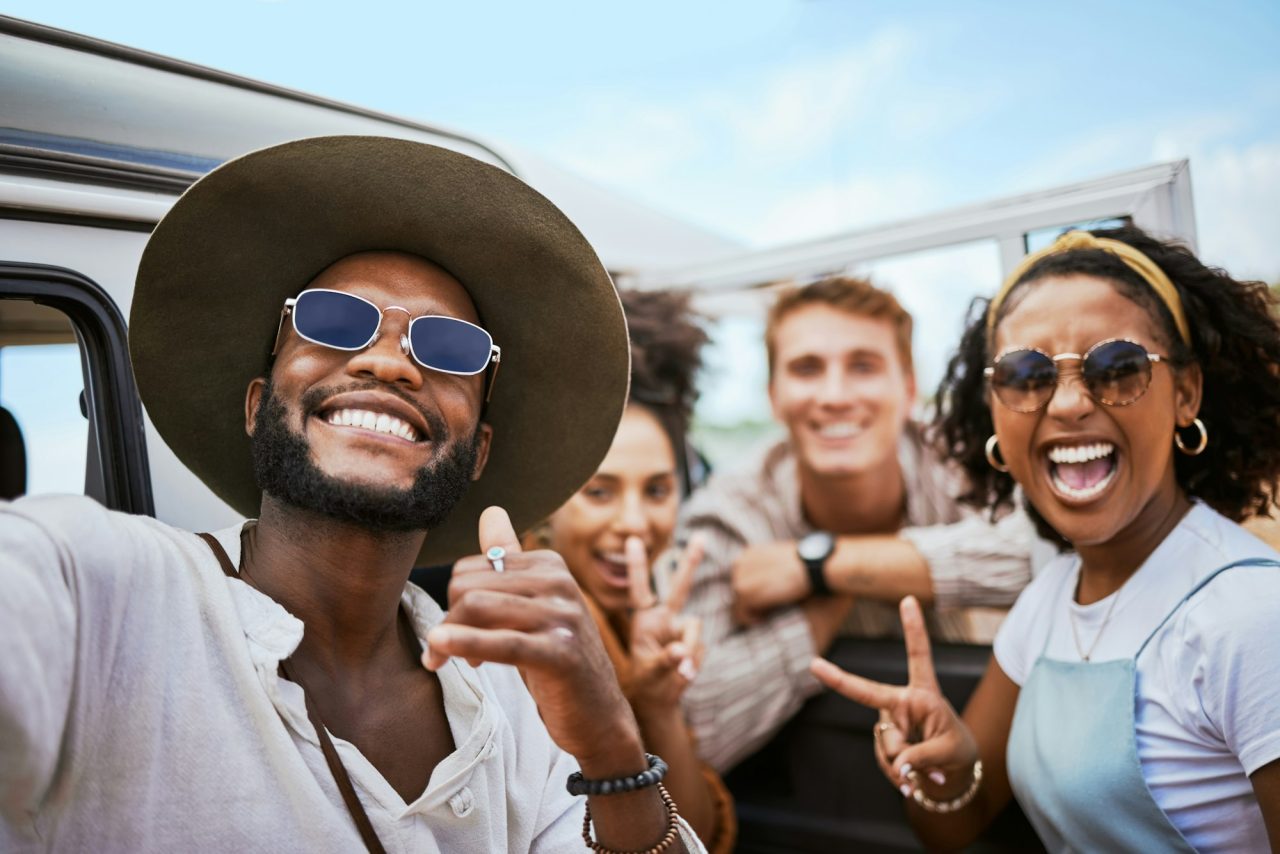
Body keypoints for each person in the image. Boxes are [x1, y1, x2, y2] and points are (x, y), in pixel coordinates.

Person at [0, 137, 703, 853]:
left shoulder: (510, 696)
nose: (388, 361)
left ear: (478, 449)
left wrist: (612, 744)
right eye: (334, 321)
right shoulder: (103, 595)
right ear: (256, 405)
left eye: (450, 347)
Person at [812, 226, 1280, 851]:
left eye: (1118, 367)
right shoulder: (1051, 597)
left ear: (1186, 393)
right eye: (1026, 374)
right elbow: (956, 824)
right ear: (994, 415)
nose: (1066, 402)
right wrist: (942, 766)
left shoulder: (1251, 617)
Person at [678, 275, 1039, 771]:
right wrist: (826, 608)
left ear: (909, 388)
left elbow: (1052, 552)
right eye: (807, 369)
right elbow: (696, 728)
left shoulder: (969, 460)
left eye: (863, 366)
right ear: (773, 395)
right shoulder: (729, 513)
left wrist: (819, 568)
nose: (834, 395)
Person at [528, 290, 735, 852]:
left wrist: (658, 702)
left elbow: (695, 836)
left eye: (658, 490)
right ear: (549, 500)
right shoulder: (526, 620)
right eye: (599, 491)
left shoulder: (637, 619)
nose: (634, 524)